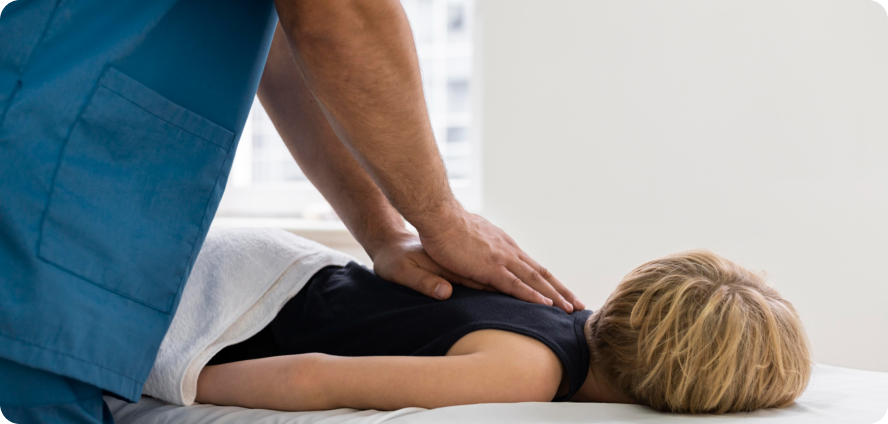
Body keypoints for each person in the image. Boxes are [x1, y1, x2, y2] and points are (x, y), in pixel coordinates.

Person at [0, 1, 580, 423]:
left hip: (253, 266)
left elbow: (291, 31)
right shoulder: (531, 367)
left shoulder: (549, 318)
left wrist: (386, 233)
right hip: (50, 185)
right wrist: (171, 389)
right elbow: (337, 14)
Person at [195, 250, 812, 414]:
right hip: (233, 302)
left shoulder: (561, 311)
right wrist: (166, 379)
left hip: (283, 265)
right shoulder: (527, 373)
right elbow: (314, 378)